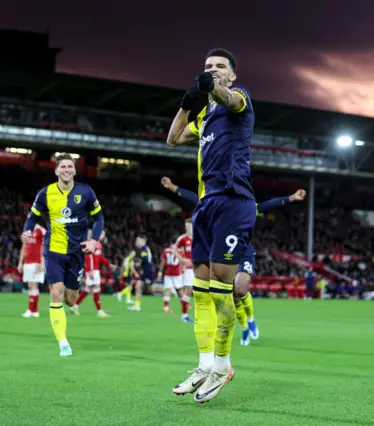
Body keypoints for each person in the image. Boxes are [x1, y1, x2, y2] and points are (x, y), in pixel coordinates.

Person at [166, 48, 256, 403]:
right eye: (208, 66)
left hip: (234, 200)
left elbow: (229, 99)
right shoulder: (203, 116)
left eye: (220, 67)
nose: (213, 70)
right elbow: (173, 139)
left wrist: (213, 87)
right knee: (200, 287)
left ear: (232, 74)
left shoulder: (240, 98)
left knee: (222, 282)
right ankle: (204, 365)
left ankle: (223, 365)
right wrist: (188, 105)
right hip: (205, 206)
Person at [161, 176, 306, 345]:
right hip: (221, 253)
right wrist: (171, 186)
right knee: (233, 295)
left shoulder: (246, 206)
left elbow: (268, 205)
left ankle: (251, 320)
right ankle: (244, 328)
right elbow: (188, 195)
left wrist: (291, 198)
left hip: (243, 251)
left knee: (241, 287)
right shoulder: (210, 203)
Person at [21, 154, 103, 357]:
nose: (66, 169)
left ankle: (71, 296)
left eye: (70, 166)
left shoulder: (86, 192)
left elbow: (99, 218)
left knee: (71, 300)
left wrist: (94, 240)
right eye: (63, 166)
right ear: (56, 171)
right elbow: (32, 217)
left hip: (77, 252)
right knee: (55, 292)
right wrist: (27, 230)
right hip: (54, 251)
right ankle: (63, 342)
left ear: (74, 170)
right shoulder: (45, 193)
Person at [73, 230, 114, 318]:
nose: (103, 235)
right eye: (102, 233)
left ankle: (75, 306)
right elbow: (88, 257)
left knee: (88, 289)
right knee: (96, 289)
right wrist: (90, 270)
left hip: (94, 270)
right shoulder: (92, 243)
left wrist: (108, 264)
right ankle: (100, 311)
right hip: (93, 270)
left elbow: (99, 257)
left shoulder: (98, 244)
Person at [158, 234, 193, 322]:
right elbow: (182, 262)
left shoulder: (166, 250)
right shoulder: (180, 251)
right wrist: (183, 270)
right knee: (181, 290)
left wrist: (160, 272)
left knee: (167, 289)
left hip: (167, 273)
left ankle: (166, 307)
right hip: (177, 274)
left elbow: (163, 262)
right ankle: (185, 304)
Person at [18, 224, 46, 318]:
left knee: (33, 285)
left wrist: (43, 262)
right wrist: (20, 262)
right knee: (31, 286)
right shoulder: (27, 231)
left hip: (36, 262)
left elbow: (44, 247)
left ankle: (30, 309)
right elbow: (23, 247)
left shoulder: (41, 231)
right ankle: (35, 311)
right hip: (27, 262)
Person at [128, 235, 153, 312]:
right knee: (138, 286)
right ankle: (137, 305)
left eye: (138, 241)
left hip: (148, 270)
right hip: (147, 270)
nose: (136, 242)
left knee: (151, 288)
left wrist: (138, 263)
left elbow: (146, 260)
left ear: (143, 241)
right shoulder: (144, 249)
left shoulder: (143, 250)